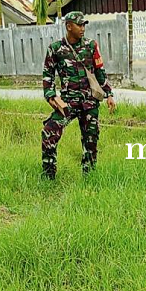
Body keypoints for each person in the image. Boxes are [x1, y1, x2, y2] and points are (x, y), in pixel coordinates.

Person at [41, 11, 116, 179]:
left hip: (89, 102)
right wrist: (51, 95)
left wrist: (109, 94)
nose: (83, 28)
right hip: (68, 103)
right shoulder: (56, 49)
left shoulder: (91, 46)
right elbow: (48, 75)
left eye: (84, 25)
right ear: (69, 26)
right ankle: (48, 175)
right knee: (48, 132)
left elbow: (99, 72)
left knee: (91, 140)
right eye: (79, 25)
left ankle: (89, 176)